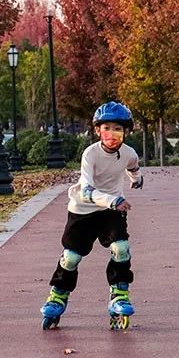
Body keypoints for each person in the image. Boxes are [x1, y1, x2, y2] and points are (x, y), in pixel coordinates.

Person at [40, 101, 143, 330]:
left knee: (121, 247)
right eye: (106, 128)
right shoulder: (90, 154)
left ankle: (119, 293)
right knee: (72, 257)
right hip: (83, 210)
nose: (112, 134)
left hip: (110, 211)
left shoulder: (128, 153)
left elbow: (133, 165)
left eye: (118, 129)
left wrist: (136, 179)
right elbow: (86, 191)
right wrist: (113, 200)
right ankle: (57, 295)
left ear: (126, 132)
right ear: (97, 131)